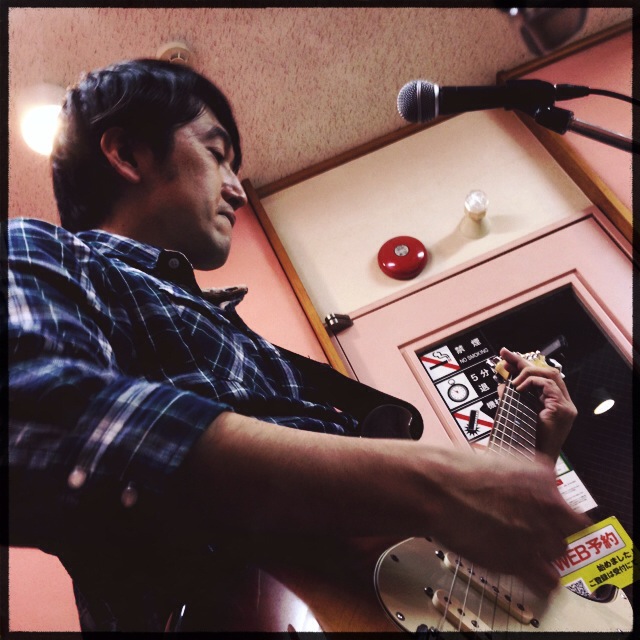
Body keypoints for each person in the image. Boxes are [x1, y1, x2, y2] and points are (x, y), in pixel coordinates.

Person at [5, 59, 588, 632]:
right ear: (128, 154)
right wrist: (431, 483)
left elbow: (415, 574)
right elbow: (34, 413)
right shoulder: (38, 249)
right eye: (216, 154)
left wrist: (521, 467)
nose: (237, 189)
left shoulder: (239, 340)